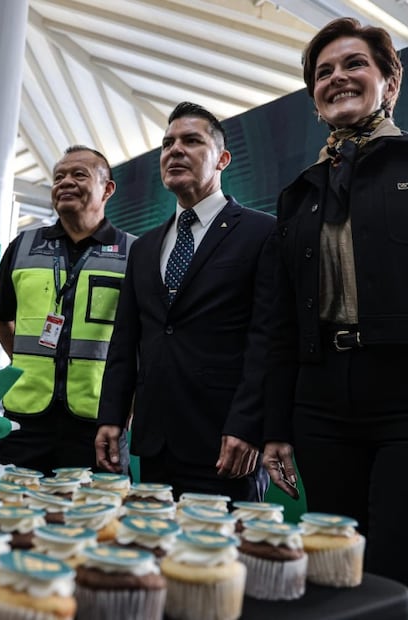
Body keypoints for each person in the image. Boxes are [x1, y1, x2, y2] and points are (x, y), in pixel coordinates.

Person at [260, 18, 408, 619]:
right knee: (341, 591)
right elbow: (282, 324)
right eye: (323, 72)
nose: (337, 77)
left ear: (389, 81)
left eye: (354, 64)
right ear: (313, 96)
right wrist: (276, 427)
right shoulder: (298, 195)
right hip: (322, 412)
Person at [95, 102, 275, 502]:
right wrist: (112, 416)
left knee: (219, 563)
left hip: (226, 444)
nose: (174, 150)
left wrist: (250, 425)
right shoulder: (144, 248)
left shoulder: (263, 234)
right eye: (167, 144)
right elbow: (125, 342)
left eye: (191, 141)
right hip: (155, 444)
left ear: (223, 159)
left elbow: (269, 341)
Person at [0, 145, 134, 475]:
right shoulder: (22, 246)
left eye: (79, 175)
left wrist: (128, 407)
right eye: (58, 177)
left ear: (107, 189)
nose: (65, 182)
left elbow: (145, 339)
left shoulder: (133, 253)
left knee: (99, 518)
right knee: (7, 512)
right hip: (24, 421)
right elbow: (1, 317)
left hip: (98, 422)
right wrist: (26, 362)